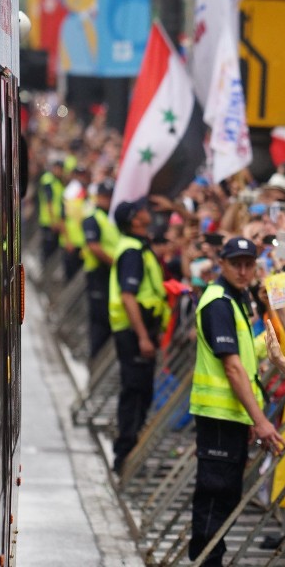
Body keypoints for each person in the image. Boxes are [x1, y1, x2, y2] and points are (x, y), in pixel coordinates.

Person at [187, 237, 285, 566]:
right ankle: (206, 560)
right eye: (236, 264)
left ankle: (208, 558)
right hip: (221, 415)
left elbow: (243, 355)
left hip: (232, 414)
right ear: (222, 264)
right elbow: (231, 367)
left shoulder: (235, 298)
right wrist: (261, 420)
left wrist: (272, 342)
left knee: (225, 493)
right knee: (215, 495)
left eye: (249, 264)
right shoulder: (219, 301)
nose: (243, 271)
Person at [109, 198, 170, 474]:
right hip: (135, 333)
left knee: (140, 392)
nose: (148, 213)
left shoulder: (138, 247)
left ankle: (129, 454)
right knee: (134, 393)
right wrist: (144, 337)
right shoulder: (132, 251)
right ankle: (125, 457)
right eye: (143, 210)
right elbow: (128, 296)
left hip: (139, 332)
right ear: (135, 219)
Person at [81, 178, 119, 358]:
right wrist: (114, 262)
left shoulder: (112, 218)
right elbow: (94, 246)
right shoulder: (93, 218)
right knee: (99, 319)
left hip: (111, 274)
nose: (108, 200)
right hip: (99, 273)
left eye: (110, 196)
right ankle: (94, 357)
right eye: (104, 196)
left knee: (108, 317)